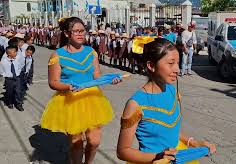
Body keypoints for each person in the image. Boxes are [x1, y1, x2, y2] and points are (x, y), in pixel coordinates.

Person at [117, 38, 216, 164]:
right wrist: (158, 157)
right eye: (170, 63)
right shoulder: (135, 104)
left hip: (177, 156)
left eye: (178, 63)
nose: (177, 70)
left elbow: (171, 131)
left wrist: (194, 142)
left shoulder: (172, 91)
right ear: (151, 66)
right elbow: (122, 151)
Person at [40, 17, 121, 164]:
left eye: (82, 31)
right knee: (76, 144)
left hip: (92, 99)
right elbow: (53, 82)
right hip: (71, 101)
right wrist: (69, 86)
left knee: (94, 141)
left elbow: (97, 77)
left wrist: (110, 79)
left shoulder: (91, 52)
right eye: (76, 31)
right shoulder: (57, 55)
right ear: (66, 33)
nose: (80, 34)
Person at [0, 44, 24, 111]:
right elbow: (1, 70)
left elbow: (20, 66)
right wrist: (5, 75)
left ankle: (19, 104)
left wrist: (18, 73)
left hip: (17, 78)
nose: (16, 53)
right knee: (9, 92)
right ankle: (10, 103)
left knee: (18, 91)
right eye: (14, 52)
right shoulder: (3, 61)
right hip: (9, 79)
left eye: (16, 51)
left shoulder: (17, 60)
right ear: (9, 54)